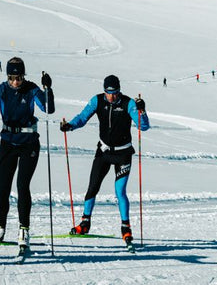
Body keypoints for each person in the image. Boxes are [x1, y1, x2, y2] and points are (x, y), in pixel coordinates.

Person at [0, 60, 55, 250]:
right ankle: (0, 229)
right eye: (12, 78)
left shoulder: (32, 89)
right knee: (3, 186)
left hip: (29, 143)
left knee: (22, 185)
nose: (15, 82)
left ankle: (23, 229)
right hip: (8, 142)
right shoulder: (1, 90)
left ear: (23, 76)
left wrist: (48, 89)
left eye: (18, 78)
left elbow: (48, 108)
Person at [59, 75, 149, 244]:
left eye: (115, 93)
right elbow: (83, 117)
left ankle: (126, 228)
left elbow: (143, 126)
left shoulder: (128, 103)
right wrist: (70, 125)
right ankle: (85, 223)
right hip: (104, 152)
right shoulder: (97, 100)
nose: (112, 96)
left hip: (123, 154)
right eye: (108, 93)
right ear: (104, 91)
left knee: (120, 192)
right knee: (92, 187)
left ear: (119, 91)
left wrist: (141, 110)